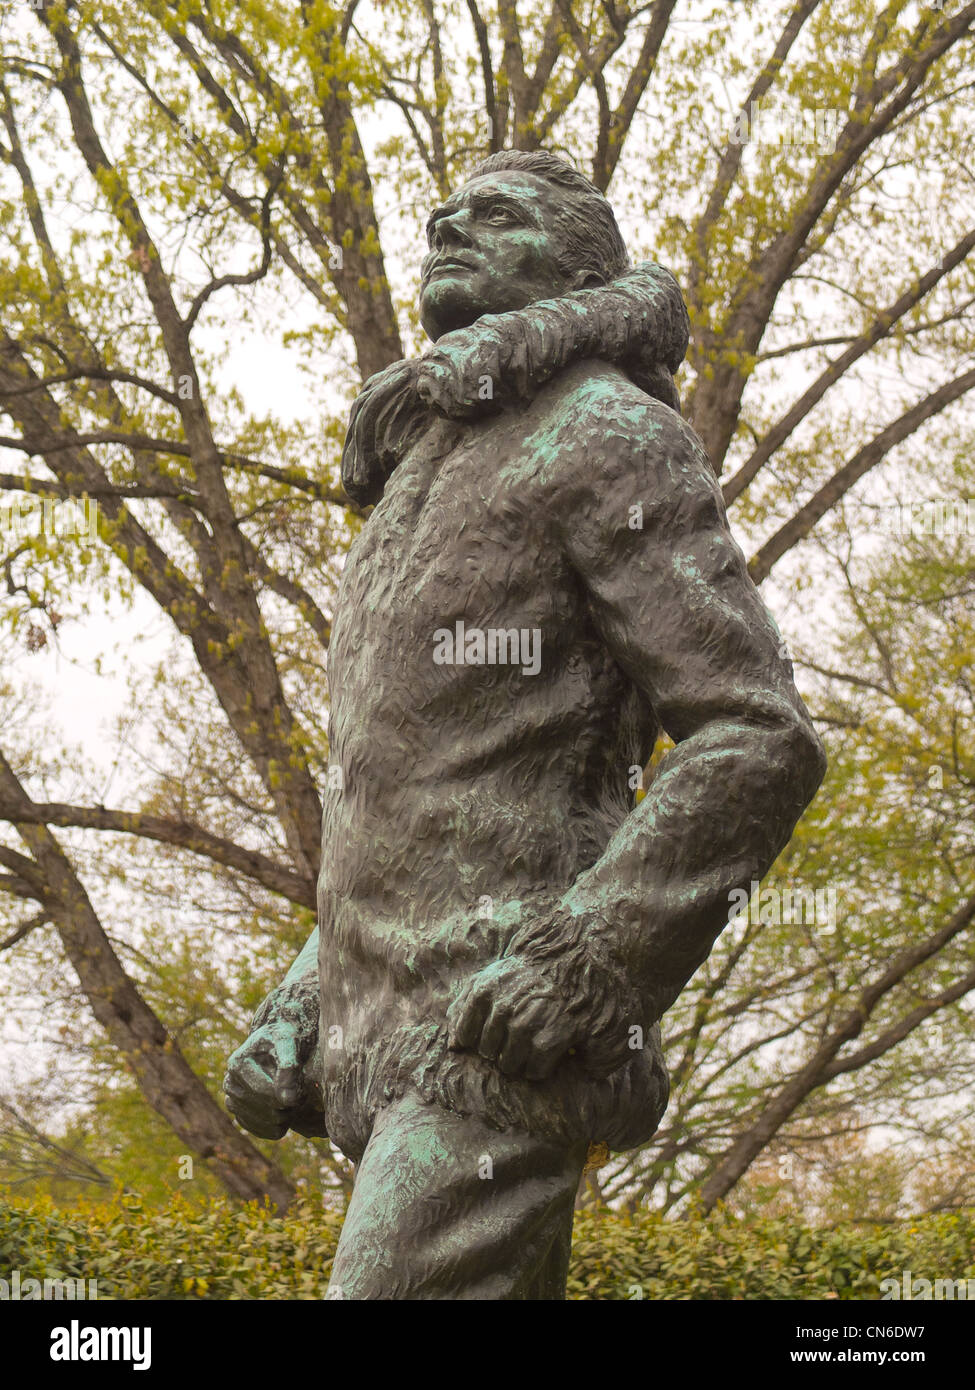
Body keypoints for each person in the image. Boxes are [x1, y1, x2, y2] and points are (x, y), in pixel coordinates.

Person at [224, 150, 826, 1300]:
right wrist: (307, 998)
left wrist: (591, 954)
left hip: (500, 1027)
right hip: (399, 1036)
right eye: (441, 217)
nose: (448, 228)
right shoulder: (415, 479)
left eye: (494, 217)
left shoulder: (608, 432)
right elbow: (415, 805)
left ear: (581, 266)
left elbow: (756, 735)